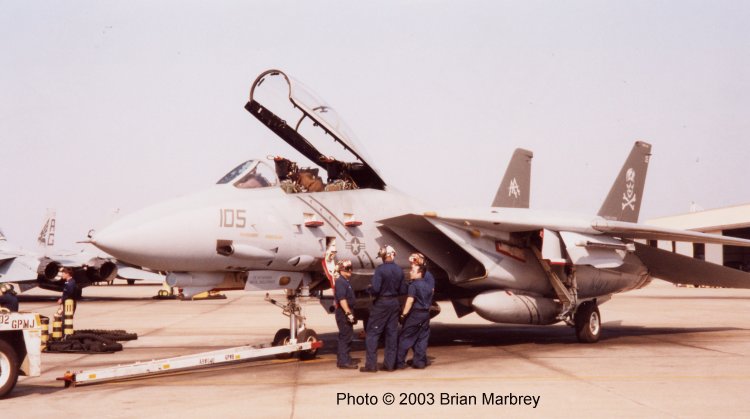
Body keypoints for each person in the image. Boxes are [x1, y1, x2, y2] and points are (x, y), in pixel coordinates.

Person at [361, 245, 404, 372]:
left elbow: (375, 289)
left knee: (372, 334)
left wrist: (368, 289)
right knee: (392, 334)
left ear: (384, 256)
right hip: (394, 303)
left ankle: (371, 365)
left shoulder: (380, 270)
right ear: (393, 254)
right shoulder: (399, 270)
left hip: (382, 304)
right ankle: (390, 365)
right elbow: (403, 290)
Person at [396, 263, 434, 369]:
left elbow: (410, 300)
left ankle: (399, 363)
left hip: (415, 314)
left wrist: (403, 314)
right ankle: (419, 362)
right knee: (422, 339)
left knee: (405, 338)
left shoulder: (413, 285)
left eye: (413, 271)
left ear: (419, 273)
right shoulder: (429, 286)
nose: (410, 272)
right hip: (425, 315)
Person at [334, 259, 358, 369]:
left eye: (351, 268)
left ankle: (345, 358)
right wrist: (349, 314)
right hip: (343, 313)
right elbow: (342, 299)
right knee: (345, 337)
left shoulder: (345, 281)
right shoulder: (340, 282)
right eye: (348, 268)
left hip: (346, 312)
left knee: (348, 336)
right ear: (341, 270)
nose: (350, 270)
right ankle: (344, 361)